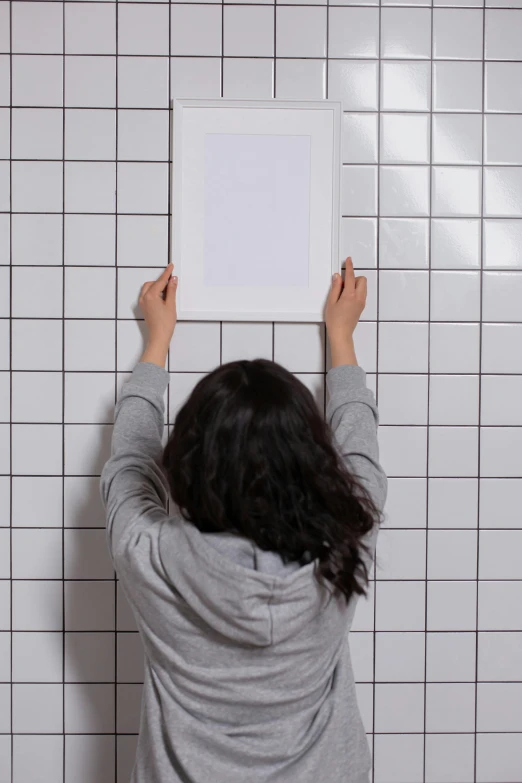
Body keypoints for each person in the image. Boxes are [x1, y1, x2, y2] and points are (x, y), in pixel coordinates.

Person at [100, 257, 387, 783]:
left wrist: (157, 342)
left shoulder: (148, 557)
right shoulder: (344, 549)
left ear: (188, 456)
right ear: (313, 462)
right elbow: (360, 454)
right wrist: (341, 337)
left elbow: (131, 464)